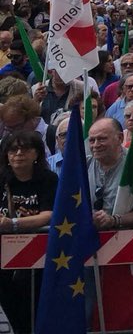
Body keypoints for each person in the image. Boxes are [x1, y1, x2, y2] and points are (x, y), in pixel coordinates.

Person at [0, 130, 57, 333]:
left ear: (36, 154)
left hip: (39, 254)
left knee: (34, 304)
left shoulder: (48, 179)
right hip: (4, 258)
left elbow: (48, 215)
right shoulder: (2, 179)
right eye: (13, 149)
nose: (18, 154)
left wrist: (12, 224)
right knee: (12, 307)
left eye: (25, 149)